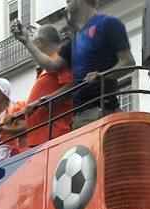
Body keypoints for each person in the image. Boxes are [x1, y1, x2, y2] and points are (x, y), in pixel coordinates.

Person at [15, 0, 135, 129]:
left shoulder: (108, 24)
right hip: (79, 116)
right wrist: (27, 41)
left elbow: (128, 62)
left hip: (101, 110)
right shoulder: (75, 40)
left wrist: (102, 76)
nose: (66, 3)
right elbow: (52, 66)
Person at [11, 23, 74, 147]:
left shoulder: (58, 60)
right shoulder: (48, 66)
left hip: (53, 134)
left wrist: (40, 102)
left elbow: (70, 87)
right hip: (41, 136)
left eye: (34, 42)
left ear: (40, 42)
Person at [0, 78, 27, 162]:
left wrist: (2, 129)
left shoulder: (15, 107)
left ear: (4, 92)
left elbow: (25, 126)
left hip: (11, 153)